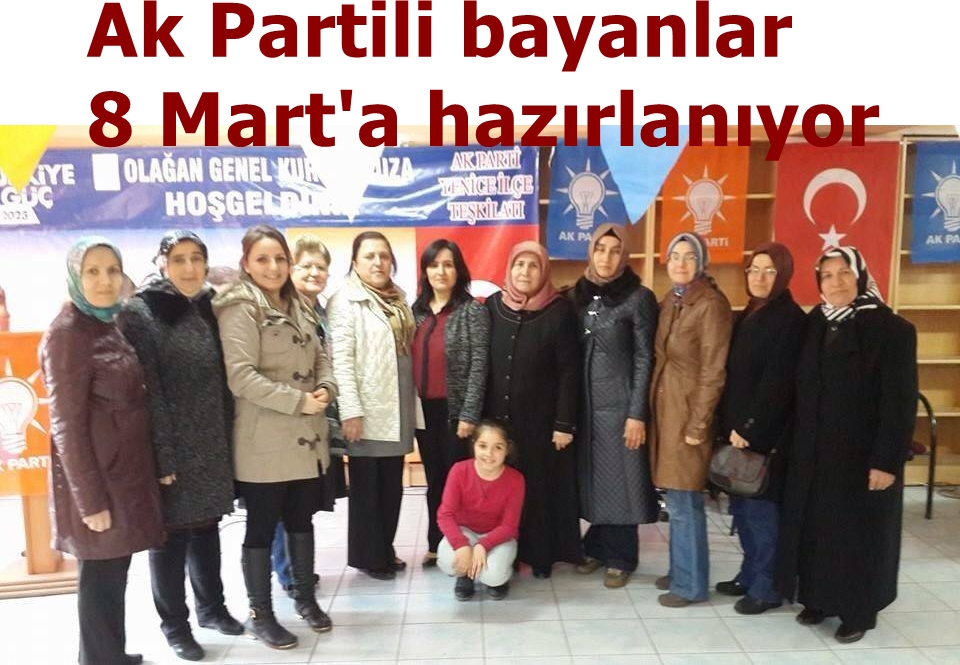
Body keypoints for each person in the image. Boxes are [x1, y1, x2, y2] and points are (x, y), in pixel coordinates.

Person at [777, 246, 918, 644]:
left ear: (860, 276)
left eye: (844, 273)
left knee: (858, 536)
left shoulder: (892, 330)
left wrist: (886, 462)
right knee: (817, 530)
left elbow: (900, 402)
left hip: (862, 458)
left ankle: (859, 610)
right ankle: (819, 598)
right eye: (827, 275)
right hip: (814, 454)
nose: (835, 282)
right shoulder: (815, 323)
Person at [117, 231, 242, 661]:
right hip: (170, 442)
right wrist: (163, 456)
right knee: (169, 540)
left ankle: (212, 608)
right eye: (179, 259)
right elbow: (148, 391)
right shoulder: (142, 311)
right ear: (162, 264)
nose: (189, 268)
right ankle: (175, 625)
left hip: (211, 439)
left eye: (196, 259)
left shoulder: (209, 305)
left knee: (207, 528)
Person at [40, 237, 165, 665]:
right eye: (92, 271)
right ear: (75, 276)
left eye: (112, 270)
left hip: (123, 476)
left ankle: (111, 654)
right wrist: (90, 502)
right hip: (98, 484)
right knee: (99, 579)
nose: (105, 280)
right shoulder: (66, 335)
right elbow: (66, 428)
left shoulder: (107, 322)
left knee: (114, 575)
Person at [213, 225, 338, 649]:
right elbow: (241, 376)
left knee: (301, 521)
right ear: (246, 263)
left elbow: (320, 356)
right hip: (263, 440)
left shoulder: (298, 304)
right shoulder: (240, 307)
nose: (273, 267)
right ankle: (260, 614)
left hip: (306, 437)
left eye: (280, 259)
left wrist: (327, 387)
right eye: (263, 259)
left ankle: (305, 599)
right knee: (262, 529)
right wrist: (298, 401)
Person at [713, 242, 805, 615]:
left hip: (764, 436)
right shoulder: (750, 311)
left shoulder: (790, 319)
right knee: (741, 508)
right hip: (737, 432)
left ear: (783, 275)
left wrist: (749, 427)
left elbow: (778, 383)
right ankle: (749, 574)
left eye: (769, 271)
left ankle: (768, 587)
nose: (760, 277)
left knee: (762, 514)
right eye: (754, 270)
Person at [569, 224, 659, 589]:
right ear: (591, 251)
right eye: (600, 249)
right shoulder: (577, 294)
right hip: (585, 408)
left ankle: (621, 556)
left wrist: (637, 413)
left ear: (625, 256)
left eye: (615, 250)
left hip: (620, 407)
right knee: (594, 479)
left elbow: (645, 357)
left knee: (622, 480)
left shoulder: (637, 298)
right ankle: (596, 546)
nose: (606, 257)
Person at [484, 240, 581, 578]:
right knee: (500, 492)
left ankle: (541, 556)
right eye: (519, 264)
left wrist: (564, 423)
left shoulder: (559, 310)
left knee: (538, 489)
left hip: (541, 422)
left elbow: (569, 371)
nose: (525, 272)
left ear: (544, 271)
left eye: (533, 265)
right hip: (499, 423)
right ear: (509, 268)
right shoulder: (493, 306)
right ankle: (502, 554)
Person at [327, 231, 419, 580]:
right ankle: (369, 556)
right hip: (365, 411)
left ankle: (385, 548)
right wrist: (350, 410)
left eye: (383, 255)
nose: (378, 262)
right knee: (367, 489)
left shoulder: (399, 299)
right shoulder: (344, 301)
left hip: (397, 406)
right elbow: (341, 361)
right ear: (355, 262)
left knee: (391, 487)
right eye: (369, 256)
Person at [648, 232, 732, 607]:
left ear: (701, 263)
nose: (681, 263)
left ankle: (691, 585)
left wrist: (699, 424)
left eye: (689, 257)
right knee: (675, 499)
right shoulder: (673, 299)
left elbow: (713, 371)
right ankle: (680, 570)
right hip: (667, 410)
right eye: (675, 256)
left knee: (685, 503)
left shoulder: (710, 304)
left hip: (688, 415)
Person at [270, 234, 347, 594]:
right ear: (290, 268)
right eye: (306, 266)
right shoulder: (281, 310)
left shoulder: (321, 312)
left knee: (303, 502)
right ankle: (289, 573)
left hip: (318, 418)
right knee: (284, 503)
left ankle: (299, 570)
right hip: (288, 418)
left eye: (321, 267)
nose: (315, 273)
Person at [412, 239, 490, 568]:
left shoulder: (472, 311)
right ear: (425, 271)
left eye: (448, 264)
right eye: (434, 265)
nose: (440, 271)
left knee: (459, 482)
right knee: (434, 480)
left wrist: (469, 414)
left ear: (459, 270)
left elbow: (480, 365)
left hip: (457, 412)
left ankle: (465, 545)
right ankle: (436, 543)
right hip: (422, 411)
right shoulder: (415, 312)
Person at [436, 419, 525, 601]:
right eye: (483, 446)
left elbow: (509, 527)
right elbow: (445, 515)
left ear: (507, 449)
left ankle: (499, 579)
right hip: (466, 531)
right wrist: (461, 546)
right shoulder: (459, 471)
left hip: (498, 536)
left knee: (493, 575)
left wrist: (482, 545)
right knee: (447, 560)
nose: (489, 454)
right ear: (474, 445)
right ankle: (465, 575)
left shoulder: (516, 479)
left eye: (497, 447)